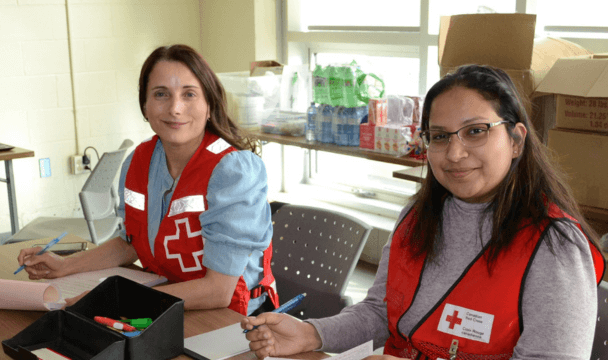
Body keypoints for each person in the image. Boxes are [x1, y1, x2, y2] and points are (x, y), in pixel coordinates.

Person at [241, 64, 605, 359]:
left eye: (476, 131)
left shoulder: (556, 248)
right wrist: (310, 334)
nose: (455, 154)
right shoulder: (418, 217)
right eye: (440, 136)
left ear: (515, 140)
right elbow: (381, 313)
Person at [17, 44, 279, 316]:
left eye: (189, 94)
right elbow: (131, 242)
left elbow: (217, 290)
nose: (175, 108)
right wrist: (64, 265)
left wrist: (117, 300)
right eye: (161, 94)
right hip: (163, 299)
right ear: (145, 106)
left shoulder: (234, 171)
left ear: (210, 105)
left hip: (231, 317)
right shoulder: (138, 161)